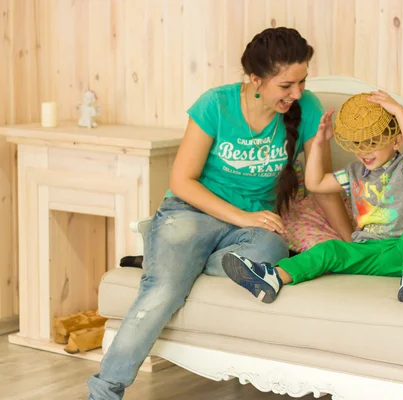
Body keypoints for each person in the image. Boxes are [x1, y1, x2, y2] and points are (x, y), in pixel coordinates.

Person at [87, 27, 352, 400]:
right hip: (192, 212)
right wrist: (241, 216)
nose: (296, 93)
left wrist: (351, 240)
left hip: (250, 229)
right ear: (255, 79)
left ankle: (171, 258)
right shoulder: (216, 104)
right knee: (164, 290)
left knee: (272, 253)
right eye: (286, 85)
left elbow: (319, 184)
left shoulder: (305, 107)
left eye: (302, 82)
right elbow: (182, 180)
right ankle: (104, 391)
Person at [222, 91, 403, 304]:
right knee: (330, 249)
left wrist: (400, 112)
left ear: (396, 141)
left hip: (399, 251)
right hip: (365, 250)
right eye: (358, 145)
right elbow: (315, 183)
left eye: (372, 143)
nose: (364, 152)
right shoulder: (354, 173)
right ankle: (272, 277)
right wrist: (319, 143)